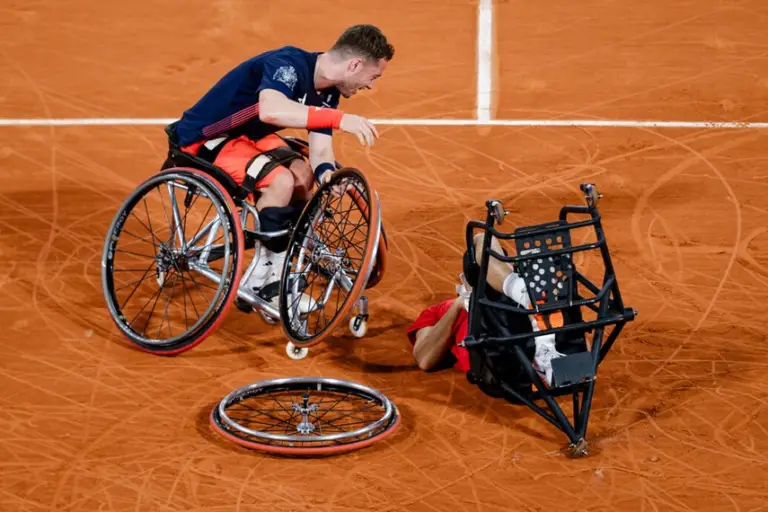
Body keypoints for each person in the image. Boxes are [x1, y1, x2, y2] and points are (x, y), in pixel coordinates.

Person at [169, 24, 395, 301]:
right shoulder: (287, 64)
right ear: (354, 64)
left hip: (246, 138)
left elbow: (320, 149)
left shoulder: (328, 91)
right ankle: (263, 277)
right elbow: (271, 110)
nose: (371, 85)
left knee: (303, 174)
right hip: (205, 138)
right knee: (281, 181)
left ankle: (274, 266)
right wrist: (341, 120)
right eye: (373, 76)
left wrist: (326, 175)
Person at [406, 233, 566, 387]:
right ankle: (524, 295)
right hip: (499, 363)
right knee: (482, 239)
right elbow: (424, 359)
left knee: (486, 241)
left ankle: (544, 347)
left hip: (523, 325)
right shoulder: (442, 310)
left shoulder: (524, 299)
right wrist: (458, 306)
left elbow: (577, 342)